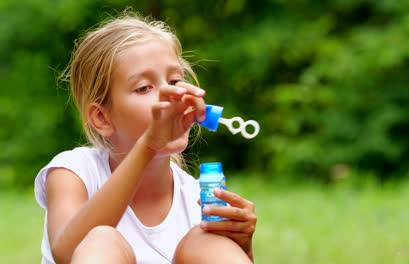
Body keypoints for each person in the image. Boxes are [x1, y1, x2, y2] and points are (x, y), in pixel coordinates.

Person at [34, 11, 257, 264]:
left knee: (208, 241)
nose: (171, 95)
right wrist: (148, 146)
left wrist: (242, 244)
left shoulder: (199, 199)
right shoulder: (74, 173)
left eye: (174, 80)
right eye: (144, 88)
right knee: (102, 240)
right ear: (102, 118)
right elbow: (66, 254)